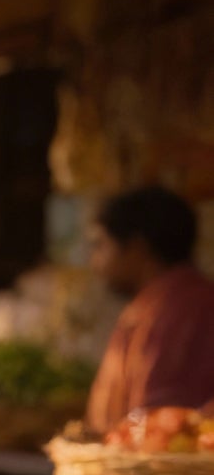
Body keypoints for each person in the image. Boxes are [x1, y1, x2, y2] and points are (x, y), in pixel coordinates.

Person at [86, 185, 214, 433]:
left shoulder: (178, 311)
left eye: (101, 245)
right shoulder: (157, 305)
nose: (94, 262)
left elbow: (156, 424)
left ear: (136, 248)